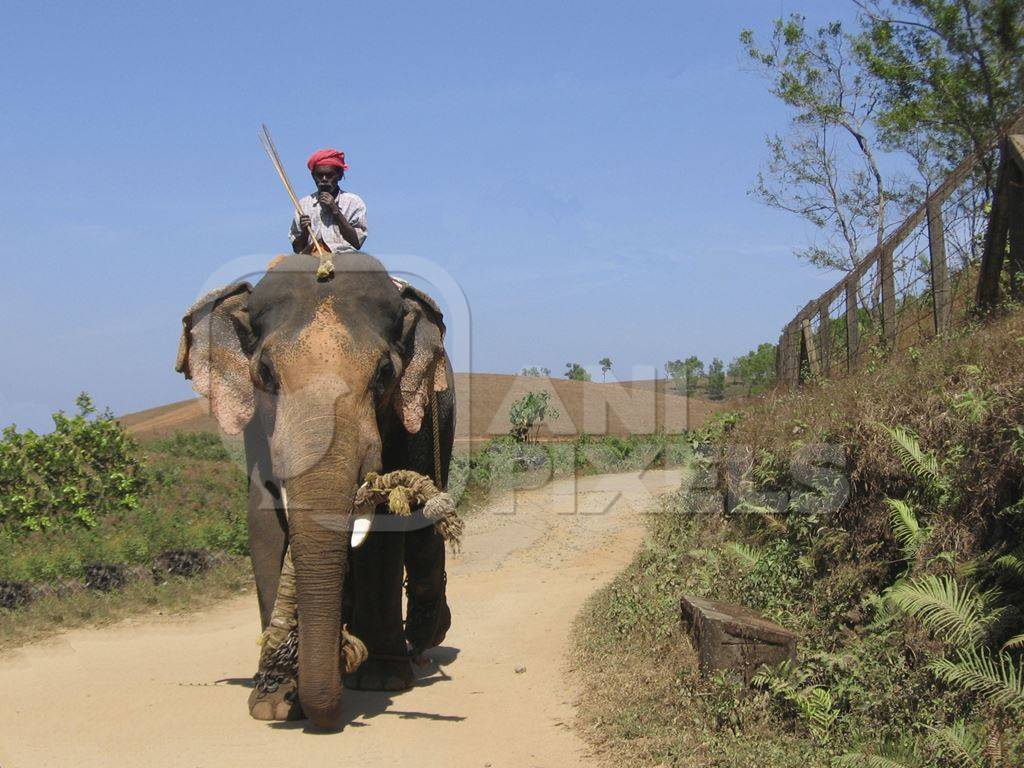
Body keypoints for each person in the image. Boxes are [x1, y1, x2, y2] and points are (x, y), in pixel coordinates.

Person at [290, 148, 368, 254]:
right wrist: (305, 232)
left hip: (343, 256)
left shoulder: (353, 202)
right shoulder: (303, 204)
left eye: (329, 175)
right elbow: (297, 249)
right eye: (319, 175)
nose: (324, 179)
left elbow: (357, 242)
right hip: (311, 256)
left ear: (340, 175)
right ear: (313, 176)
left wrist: (335, 210)